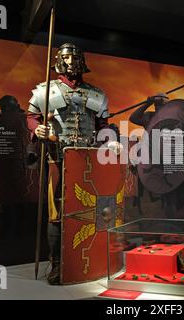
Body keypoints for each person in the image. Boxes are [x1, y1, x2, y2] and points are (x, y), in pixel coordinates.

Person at [27, 43, 115, 284]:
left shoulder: (95, 93)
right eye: (66, 59)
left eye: (74, 59)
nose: (70, 64)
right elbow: (32, 117)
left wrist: (109, 140)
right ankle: (57, 264)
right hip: (57, 156)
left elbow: (102, 126)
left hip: (87, 161)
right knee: (56, 213)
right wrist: (39, 128)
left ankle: (84, 259)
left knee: (88, 210)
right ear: (59, 61)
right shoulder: (48, 90)